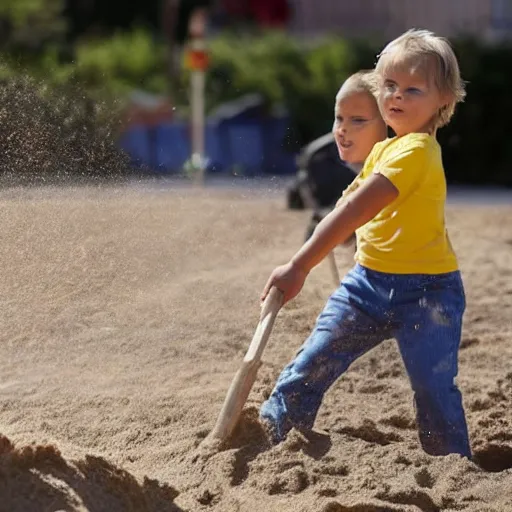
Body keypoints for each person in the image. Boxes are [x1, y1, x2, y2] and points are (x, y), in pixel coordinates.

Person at [259, 29, 472, 459]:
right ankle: (270, 433)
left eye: (413, 89)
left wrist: (299, 266)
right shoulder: (385, 150)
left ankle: (452, 465)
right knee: (312, 362)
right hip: (366, 287)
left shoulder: (416, 151)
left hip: (429, 294)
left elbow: (355, 210)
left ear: (444, 99)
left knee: (434, 387)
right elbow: (348, 209)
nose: (396, 96)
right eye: (389, 85)